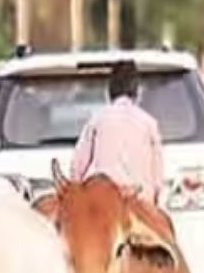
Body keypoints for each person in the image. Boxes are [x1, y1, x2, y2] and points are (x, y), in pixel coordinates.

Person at [70, 60, 165, 203]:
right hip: (141, 201)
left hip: (103, 202)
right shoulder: (149, 123)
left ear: (109, 91)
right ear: (137, 92)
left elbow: (77, 169)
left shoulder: (97, 120)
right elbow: (158, 181)